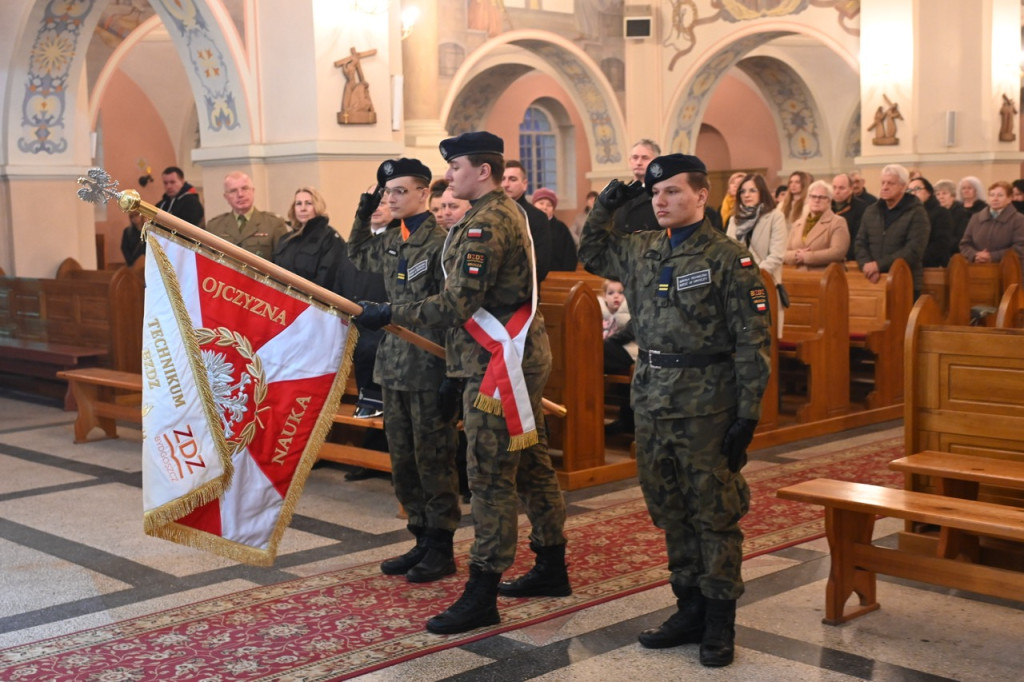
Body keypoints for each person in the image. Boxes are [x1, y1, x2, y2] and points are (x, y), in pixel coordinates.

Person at [354, 131, 570, 636]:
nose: (449, 176)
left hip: (497, 360)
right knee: (531, 463)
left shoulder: (486, 223)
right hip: (503, 355)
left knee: (489, 475)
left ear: (483, 171)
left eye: (456, 167)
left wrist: (390, 313)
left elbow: (456, 304)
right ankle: (551, 563)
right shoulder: (492, 213)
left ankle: (482, 591)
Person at [578, 153, 771, 668]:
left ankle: (719, 620)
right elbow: (591, 252)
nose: (661, 201)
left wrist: (748, 414)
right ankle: (688, 608)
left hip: (707, 404)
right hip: (652, 398)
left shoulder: (730, 259)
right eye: (655, 193)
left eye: (673, 192)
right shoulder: (642, 248)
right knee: (670, 507)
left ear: (702, 195)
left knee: (714, 512)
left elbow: (753, 342)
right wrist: (607, 206)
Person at [348, 158, 461, 583]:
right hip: (394, 366)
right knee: (404, 459)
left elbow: (451, 310)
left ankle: (441, 546)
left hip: (428, 365)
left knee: (433, 459)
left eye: (399, 191)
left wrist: (452, 373)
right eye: (386, 192)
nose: (391, 198)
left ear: (424, 193)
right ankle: (420, 538)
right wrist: (363, 215)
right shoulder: (395, 238)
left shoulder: (442, 243)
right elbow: (359, 254)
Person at [854, 164, 930, 296]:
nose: (884, 187)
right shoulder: (871, 211)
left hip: (904, 281)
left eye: (890, 183)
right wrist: (866, 265)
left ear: (903, 186)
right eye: (883, 182)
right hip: (873, 281)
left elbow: (913, 250)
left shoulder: (916, 212)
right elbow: (860, 242)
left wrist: (879, 265)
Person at [272, 186, 347, 291]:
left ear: (318, 206)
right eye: (299, 203)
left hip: (313, 299)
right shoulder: (286, 240)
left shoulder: (330, 238)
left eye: (308, 203)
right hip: (282, 297)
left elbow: (328, 279)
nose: (303, 208)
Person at [205, 171, 289, 261]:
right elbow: (206, 262)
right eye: (233, 191)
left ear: (253, 191)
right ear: (226, 197)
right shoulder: (214, 227)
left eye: (245, 188)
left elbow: (283, 263)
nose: (240, 195)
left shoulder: (274, 224)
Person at [726, 173, 788, 285]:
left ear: (762, 192)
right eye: (743, 191)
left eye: (752, 191)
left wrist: (754, 275)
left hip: (765, 281)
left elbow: (777, 256)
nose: (746, 195)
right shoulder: (734, 219)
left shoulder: (775, 217)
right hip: (738, 282)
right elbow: (729, 253)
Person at [501, 160, 552, 282]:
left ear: (524, 184)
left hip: (523, 288)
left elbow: (542, 264)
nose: (506, 184)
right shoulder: (491, 213)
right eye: (502, 179)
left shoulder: (537, 217)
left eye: (512, 179)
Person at [784, 180, 850, 268]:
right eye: (813, 196)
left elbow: (838, 252)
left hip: (825, 273)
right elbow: (785, 252)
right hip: (799, 274)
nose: (816, 200)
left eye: (821, 197)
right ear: (808, 199)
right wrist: (796, 255)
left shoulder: (837, 222)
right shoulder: (797, 223)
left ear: (829, 200)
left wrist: (806, 257)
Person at [600, 278, 636, 434]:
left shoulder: (630, 308)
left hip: (630, 351)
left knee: (598, 349)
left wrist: (605, 342)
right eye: (611, 293)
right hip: (616, 350)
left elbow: (629, 333)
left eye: (621, 293)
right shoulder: (601, 311)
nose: (616, 296)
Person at [959, 180, 1024, 265]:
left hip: (1008, 268)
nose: (995, 199)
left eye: (1000, 195)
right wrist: (975, 255)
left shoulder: (1018, 219)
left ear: (1009, 198)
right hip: (977, 267)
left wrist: (992, 256)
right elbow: (965, 244)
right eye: (992, 195)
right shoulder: (976, 218)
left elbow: (1020, 247)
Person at [612, 138, 661, 234]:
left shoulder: (660, 195)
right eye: (635, 157)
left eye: (645, 158)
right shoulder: (618, 194)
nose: (638, 162)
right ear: (630, 161)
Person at [907, 177, 954, 267]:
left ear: (928, 192)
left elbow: (941, 243)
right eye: (909, 190)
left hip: (931, 264)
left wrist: (917, 258)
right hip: (908, 263)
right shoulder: (906, 214)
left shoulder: (941, 213)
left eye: (917, 189)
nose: (913, 193)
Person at [531, 187, 577, 271]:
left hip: (557, 273)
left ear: (553, 209)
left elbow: (570, 256)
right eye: (541, 203)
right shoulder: (526, 224)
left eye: (549, 205)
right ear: (533, 205)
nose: (544, 207)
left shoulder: (561, 228)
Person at [831, 172, 867, 260]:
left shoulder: (861, 207)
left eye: (841, 188)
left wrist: (843, 255)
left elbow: (858, 237)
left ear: (851, 189)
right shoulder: (826, 205)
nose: (837, 191)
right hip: (826, 254)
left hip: (848, 256)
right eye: (834, 187)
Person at [934, 179, 971, 252]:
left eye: (944, 193)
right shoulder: (935, 213)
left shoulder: (962, 213)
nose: (941, 197)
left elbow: (961, 238)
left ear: (953, 196)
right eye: (938, 194)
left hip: (954, 251)